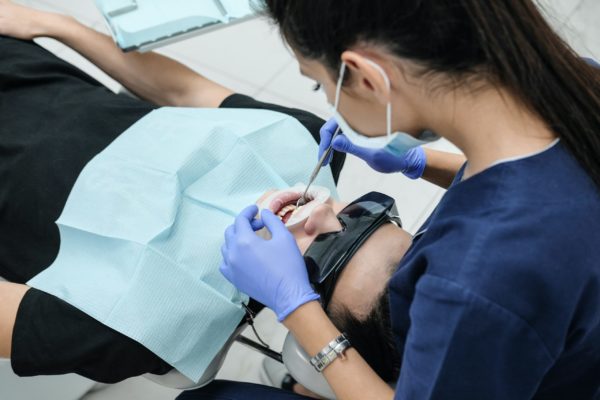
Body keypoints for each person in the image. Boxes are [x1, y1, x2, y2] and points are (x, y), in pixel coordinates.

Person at [0, 1, 422, 386]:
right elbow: (184, 91)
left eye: (325, 253)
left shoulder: (133, 331)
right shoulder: (305, 144)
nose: (324, 213)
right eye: (363, 218)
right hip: (27, 70)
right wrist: (55, 25)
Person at [209, 1, 600, 399]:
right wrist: (419, 161)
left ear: (365, 77)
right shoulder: (577, 85)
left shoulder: (474, 281)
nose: (326, 212)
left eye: (318, 83)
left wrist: (296, 308)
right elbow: (540, 178)